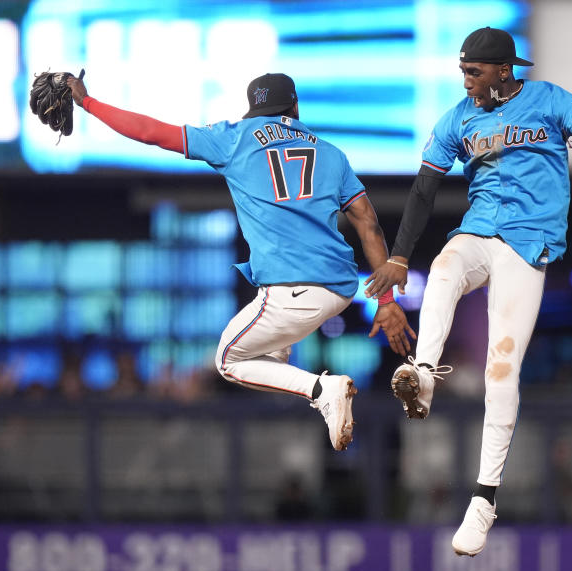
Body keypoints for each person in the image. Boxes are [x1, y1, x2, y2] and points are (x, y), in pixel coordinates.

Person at [366, 27, 572, 555]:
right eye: (463, 70)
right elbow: (424, 189)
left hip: (528, 243)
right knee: (442, 268)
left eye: (475, 71)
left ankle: (484, 500)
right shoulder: (458, 118)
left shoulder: (547, 98)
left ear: (505, 70)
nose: (466, 81)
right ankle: (422, 376)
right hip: (479, 229)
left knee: (501, 367)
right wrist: (398, 255)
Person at [67, 72, 415, 451]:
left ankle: (322, 389)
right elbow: (368, 222)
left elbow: (150, 132)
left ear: (254, 110)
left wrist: (88, 103)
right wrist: (385, 301)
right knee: (269, 359)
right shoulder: (331, 153)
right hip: (339, 290)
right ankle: (312, 396)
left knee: (228, 360)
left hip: (291, 291)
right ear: (295, 107)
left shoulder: (237, 137)